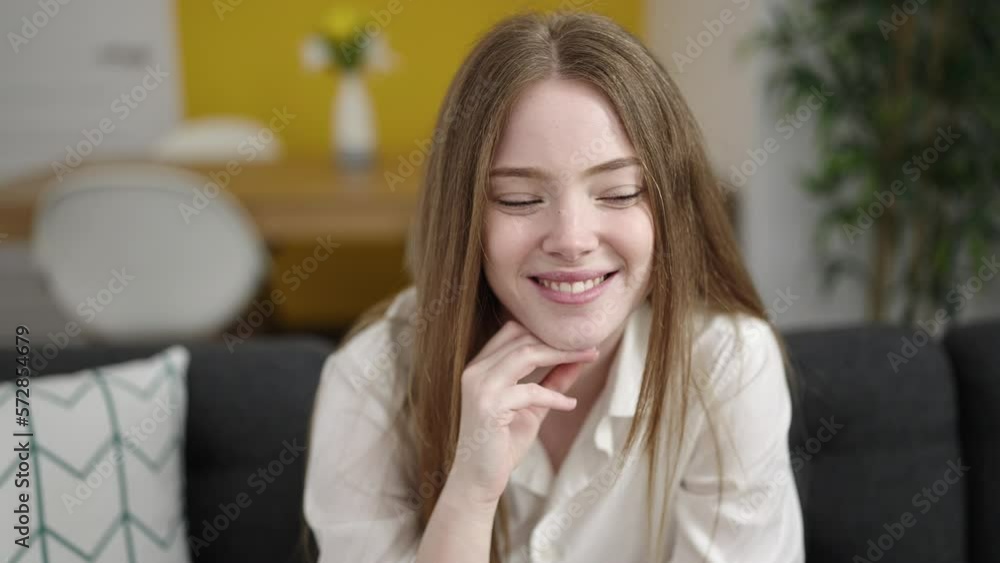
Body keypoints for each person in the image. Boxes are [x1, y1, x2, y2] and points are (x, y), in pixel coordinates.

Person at [303, 10, 804, 563]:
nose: (571, 239)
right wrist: (469, 494)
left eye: (618, 193)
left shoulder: (728, 365)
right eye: (519, 199)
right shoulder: (370, 381)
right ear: (465, 217)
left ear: (669, 208)